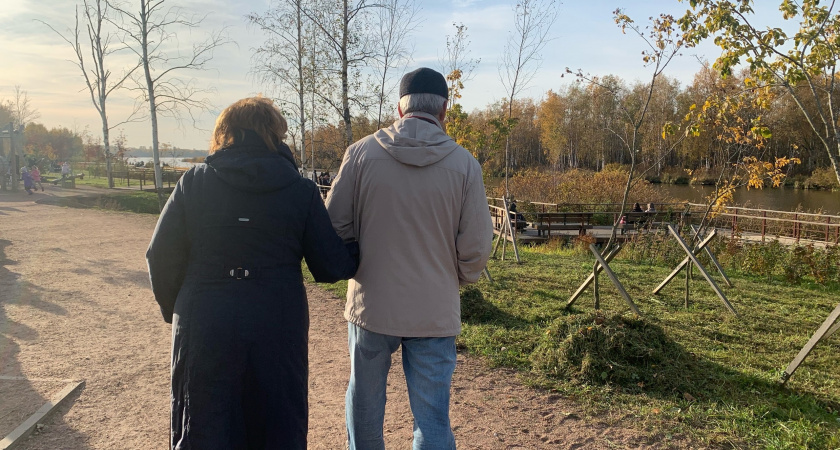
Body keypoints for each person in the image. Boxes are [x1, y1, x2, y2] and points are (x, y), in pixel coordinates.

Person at [146, 96, 359, 449]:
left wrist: (180, 310)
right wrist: (361, 245)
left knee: (202, 420)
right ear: (275, 135)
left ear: (224, 133)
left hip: (204, 314)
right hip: (276, 317)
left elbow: (160, 256)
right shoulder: (300, 190)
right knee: (277, 421)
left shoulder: (194, 182)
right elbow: (331, 265)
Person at [326, 67, 493, 449]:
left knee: (366, 402)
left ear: (399, 110)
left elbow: (335, 224)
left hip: (373, 305)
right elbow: (478, 245)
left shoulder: (361, 154)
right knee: (432, 416)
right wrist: (456, 278)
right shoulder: (465, 164)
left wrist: (359, 257)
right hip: (434, 309)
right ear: (444, 111)